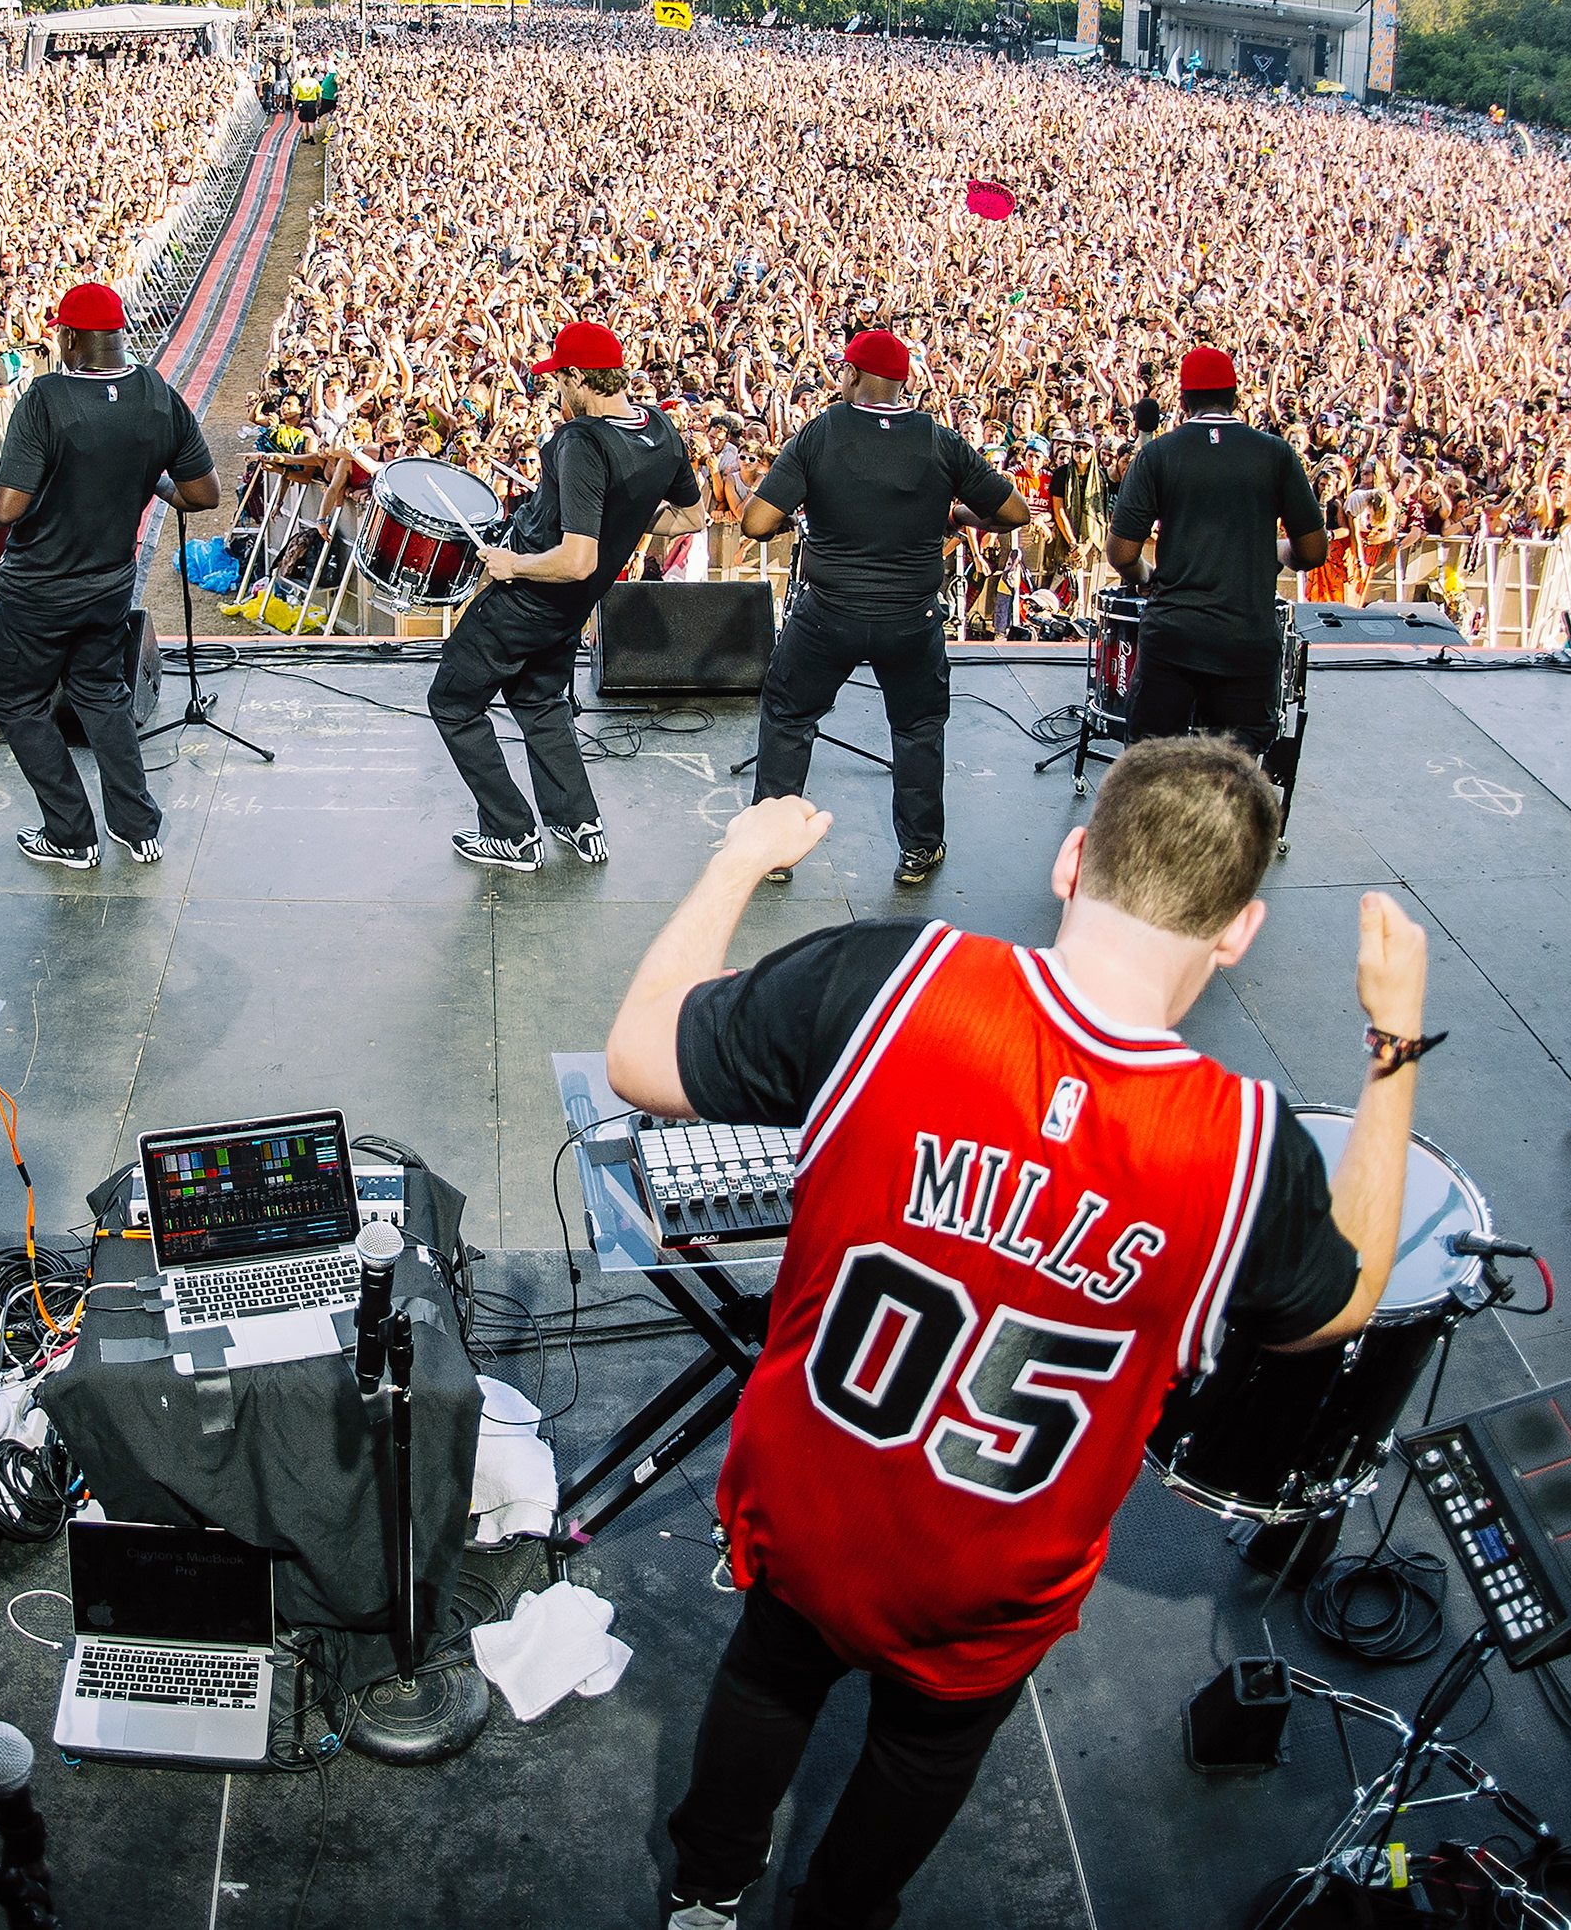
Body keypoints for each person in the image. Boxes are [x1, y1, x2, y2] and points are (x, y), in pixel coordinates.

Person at [604, 748, 1434, 1930]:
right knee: (924, 1753)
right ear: (1239, 931)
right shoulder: (1246, 1152)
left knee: (771, 1669)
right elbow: (1344, 1300)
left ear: (1071, 858)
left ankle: (705, 1886)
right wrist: (1394, 1045)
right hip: (990, 1569)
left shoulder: (894, 979)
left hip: (813, 1497)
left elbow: (641, 1053)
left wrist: (738, 859)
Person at [737, 329, 1033, 889]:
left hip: (828, 614)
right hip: (911, 619)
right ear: (905, 383)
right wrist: (955, 518)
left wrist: (803, 515)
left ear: (850, 376)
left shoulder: (821, 432)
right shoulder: (941, 440)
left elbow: (754, 522)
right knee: (918, 727)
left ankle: (774, 849)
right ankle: (919, 850)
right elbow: (1014, 511)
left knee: (789, 716)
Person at [0, 281, 218, 869]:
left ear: (70, 338)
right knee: (102, 694)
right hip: (109, 584)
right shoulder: (157, 393)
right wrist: (146, 475)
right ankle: (137, 826)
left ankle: (72, 835)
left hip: (40, 589)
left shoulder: (47, 399)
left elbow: (6, 508)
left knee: (15, 700)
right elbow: (202, 494)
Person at [428, 320, 699, 872]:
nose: (557, 392)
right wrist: (622, 520)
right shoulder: (661, 428)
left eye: (561, 381)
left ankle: (511, 834)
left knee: (452, 701)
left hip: (527, 599)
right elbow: (693, 515)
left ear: (580, 377)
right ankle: (577, 820)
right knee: (539, 700)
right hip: (572, 611)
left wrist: (510, 564)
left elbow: (577, 560)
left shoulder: (579, 441)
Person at [1105, 345, 1325, 759]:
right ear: (1236, 397)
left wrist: (1146, 577)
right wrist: (1275, 551)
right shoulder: (1276, 453)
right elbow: (1313, 551)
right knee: (1231, 778)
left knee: (1152, 769)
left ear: (1183, 401)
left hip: (1174, 636)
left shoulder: (1158, 454)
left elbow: (1120, 553)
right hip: (1246, 639)